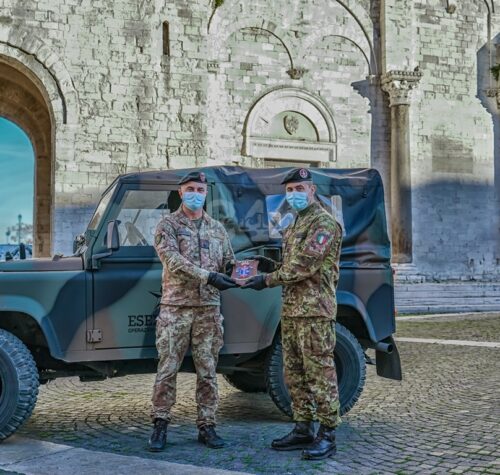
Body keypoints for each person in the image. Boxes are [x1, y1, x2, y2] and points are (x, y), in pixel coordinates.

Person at [243, 167, 343, 460]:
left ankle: (327, 434)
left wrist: (266, 280)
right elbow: (289, 264)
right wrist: (268, 266)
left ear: (312, 190)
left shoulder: (324, 223)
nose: (294, 194)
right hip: (292, 310)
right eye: (289, 190)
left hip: (315, 311)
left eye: (300, 188)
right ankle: (303, 428)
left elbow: (304, 266)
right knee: (294, 372)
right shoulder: (295, 223)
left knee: (320, 372)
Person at [149, 170, 237, 452]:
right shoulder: (167, 225)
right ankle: (160, 424)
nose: (195, 194)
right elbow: (172, 261)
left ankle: (207, 425)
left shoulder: (217, 228)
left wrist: (244, 271)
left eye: (200, 190)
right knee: (167, 369)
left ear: (206, 193)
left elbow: (228, 261)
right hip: (176, 309)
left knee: (208, 370)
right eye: (190, 189)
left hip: (208, 310)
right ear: (180, 192)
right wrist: (208, 276)